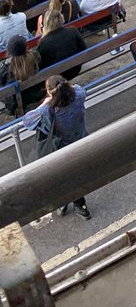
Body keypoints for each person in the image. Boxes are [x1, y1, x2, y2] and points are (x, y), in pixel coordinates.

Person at [21, 76, 91, 217]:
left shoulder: (47, 110)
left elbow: (27, 121)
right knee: (76, 174)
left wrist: (45, 103)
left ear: (49, 92)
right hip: (80, 140)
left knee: (61, 177)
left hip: (59, 149)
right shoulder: (78, 94)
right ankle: (80, 205)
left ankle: (64, 202)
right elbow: (78, 88)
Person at [36, 11, 87, 80]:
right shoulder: (72, 30)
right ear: (61, 19)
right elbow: (84, 48)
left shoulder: (43, 43)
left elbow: (43, 65)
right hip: (75, 68)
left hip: (57, 76)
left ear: (46, 24)